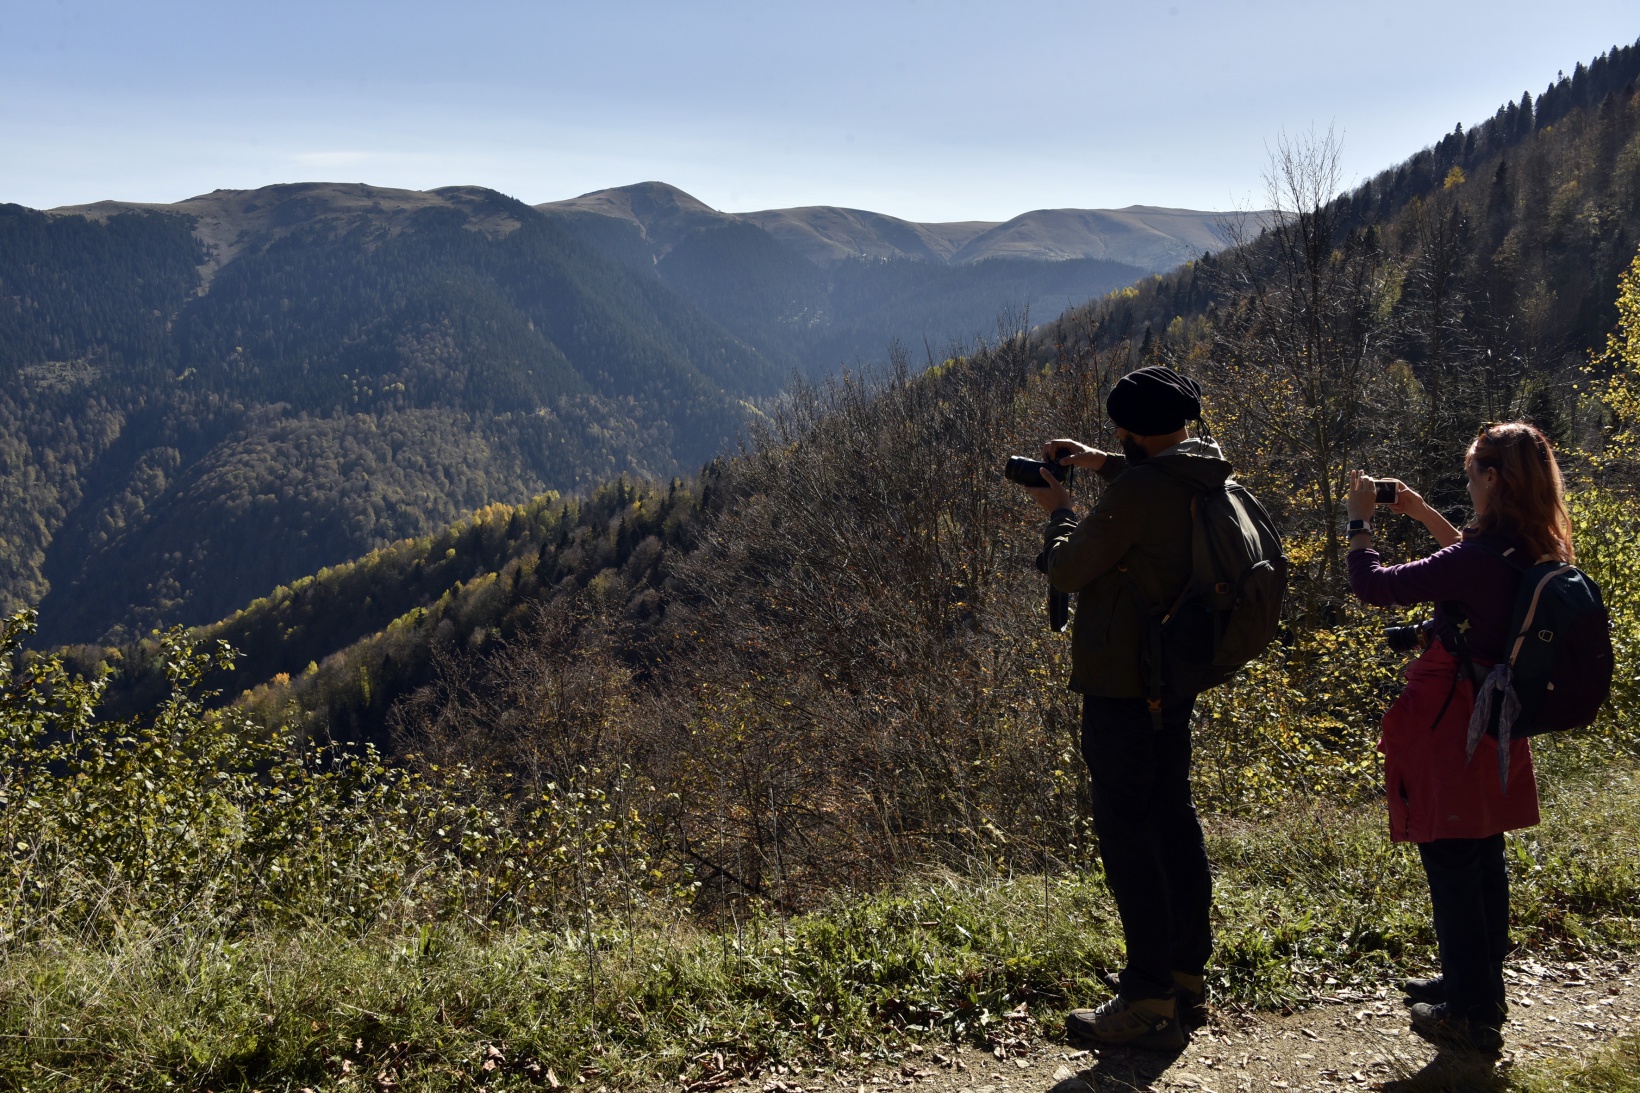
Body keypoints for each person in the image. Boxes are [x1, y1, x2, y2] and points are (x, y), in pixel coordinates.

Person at [1018, 365, 1230, 1051]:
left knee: (1128, 835)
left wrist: (1057, 515)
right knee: (1173, 815)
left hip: (1123, 686)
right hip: (1174, 676)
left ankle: (1146, 999)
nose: (1113, 435)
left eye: (1118, 431)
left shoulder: (1140, 490)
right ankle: (1184, 971)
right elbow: (1152, 488)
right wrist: (1101, 462)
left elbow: (1069, 569)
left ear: (1134, 431)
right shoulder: (1203, 469)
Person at [1346, 421, 1573, 1056]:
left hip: (1454, 720)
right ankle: (1473, 984)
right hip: (1496, 717)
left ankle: (1472, 1014)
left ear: (1494, 479)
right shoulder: (1533, 545)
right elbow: (1468, 569)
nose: (1467, 484)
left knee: (1450, 858)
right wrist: (1420, 512)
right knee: (1480, 853)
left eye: (1472, 474)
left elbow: (1374, 586)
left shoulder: (1479, 558)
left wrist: (1359, 523)